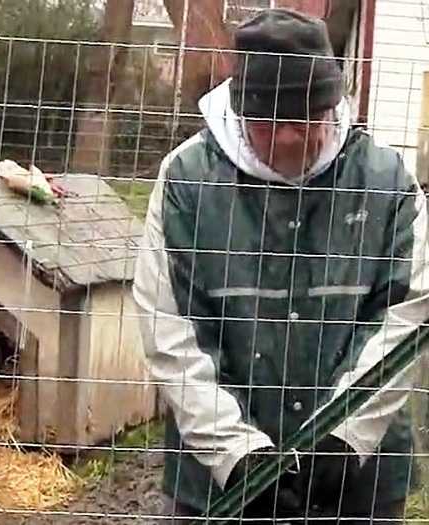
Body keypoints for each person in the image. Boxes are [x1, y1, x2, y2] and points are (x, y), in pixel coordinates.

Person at [133, 8, 429, 523]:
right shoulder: (187, 180)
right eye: (271, 123)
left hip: (359, 481)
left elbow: (404, 316)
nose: (291, 137)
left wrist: (344, 436)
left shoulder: (387, 181)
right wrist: (236, 454)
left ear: (331, 105)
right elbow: (170, 330)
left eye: (306, 119)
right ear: (240, 113)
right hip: (217, 485)